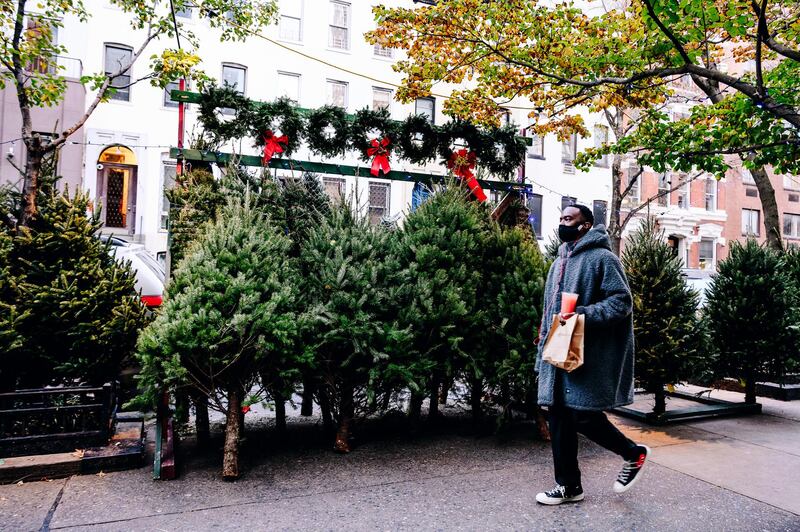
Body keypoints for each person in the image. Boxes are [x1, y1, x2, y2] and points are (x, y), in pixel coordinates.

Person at [534, 204, 649, 505]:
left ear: (585, 225)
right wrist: (541, 351)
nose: (563, 223)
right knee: (557, 415)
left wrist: (582, 314)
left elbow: (621, 302)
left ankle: (633, 453)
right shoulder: (557, 263)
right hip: (557, 353)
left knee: (583, 416)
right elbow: (548, 312)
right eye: (560, 218)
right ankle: (569, 486)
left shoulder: (603, 258)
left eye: (569, 219)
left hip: (588, 355)